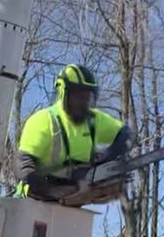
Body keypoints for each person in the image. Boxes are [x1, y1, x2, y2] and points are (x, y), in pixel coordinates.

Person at [16, 64, 132, 198]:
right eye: (79, 96)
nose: (84, 102)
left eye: (87, 97)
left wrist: (108, 155)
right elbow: (23, 161)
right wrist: (42, 186)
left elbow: (125, 133)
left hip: (72, 197)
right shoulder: (43, 120)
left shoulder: (93, 120)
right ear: (63, 93)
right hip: (34, 198)